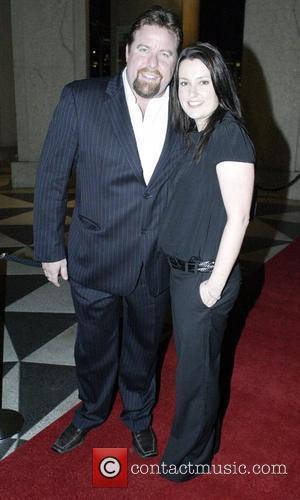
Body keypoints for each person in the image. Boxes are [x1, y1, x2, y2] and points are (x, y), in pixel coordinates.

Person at [33, 6, 183, 458]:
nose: (153, 63)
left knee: (144, 345)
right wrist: (49, 247)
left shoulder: (187, 110)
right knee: (94, 345)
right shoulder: (81, 98)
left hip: (155, 259)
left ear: (177, 62)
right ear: (126, 51)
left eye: (166, 54)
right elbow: (52, 176)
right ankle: (90, 412)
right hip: (94, 253)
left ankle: (138, 415)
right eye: (144, 49)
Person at [158, 42, 255, 481]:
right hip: (184, 274)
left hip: (203, 277)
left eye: (203, 81)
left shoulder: (228, 133)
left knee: (195, 379)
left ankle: (186, 461)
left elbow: (239, 218)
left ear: (220, 84)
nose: (192, 91)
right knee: (197, 370)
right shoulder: (195, 134)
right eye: (184, 82)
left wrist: (212, 286)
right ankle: (202, 445)